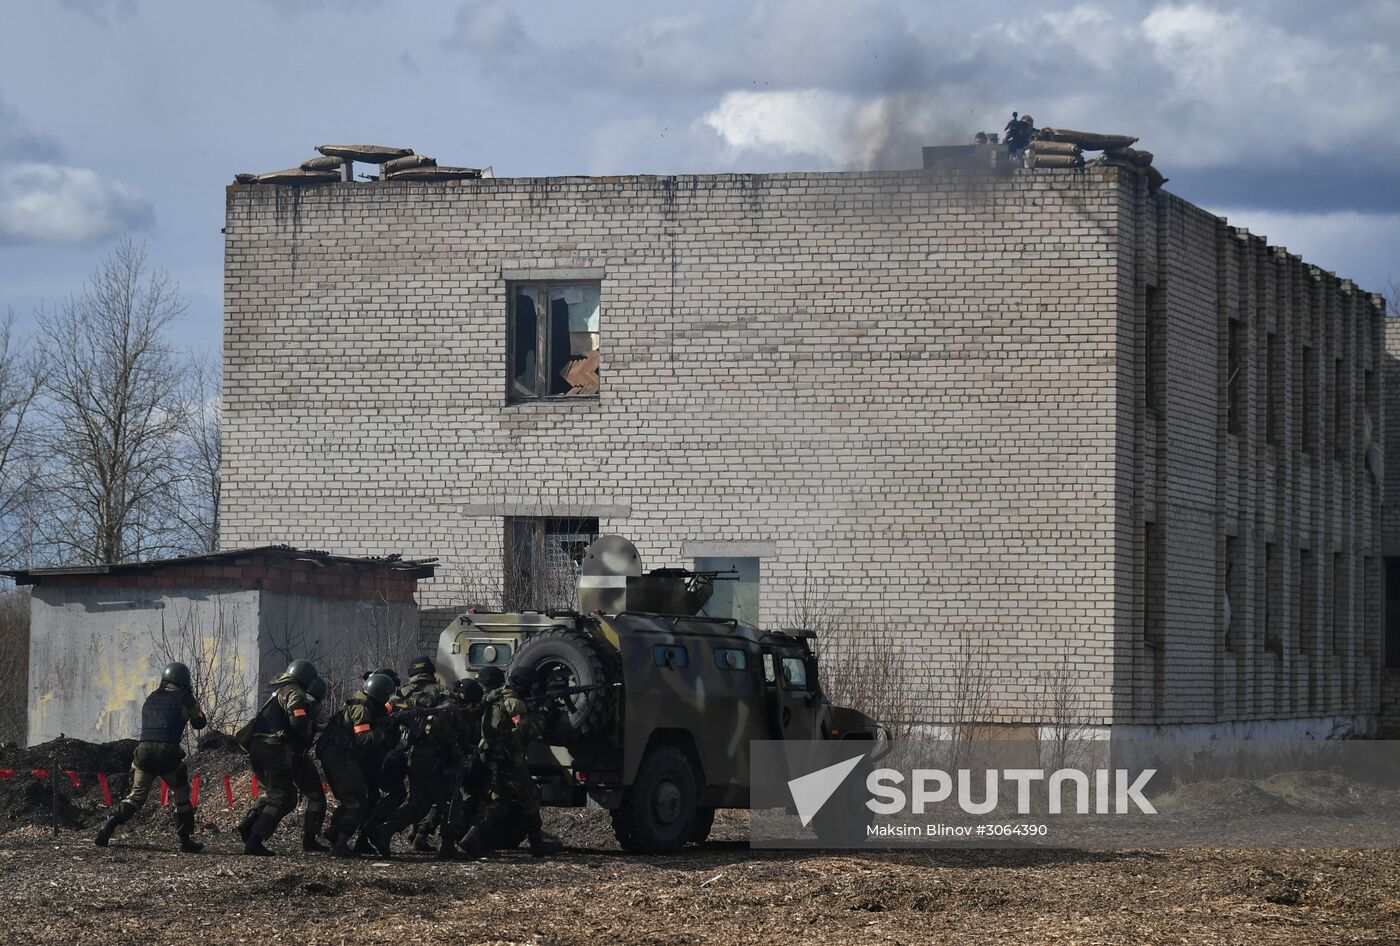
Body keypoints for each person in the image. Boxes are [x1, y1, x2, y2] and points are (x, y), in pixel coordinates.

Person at [94, 662, 207, 852]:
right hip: (167, 753)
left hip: (143, 752)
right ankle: (185, 840)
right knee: (180, 793)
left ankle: (108, 825)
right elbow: (199, 723)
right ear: (183, 681)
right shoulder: (185, 698)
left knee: (136, 796)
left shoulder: (152, 697)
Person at [461, 665, 563, 858]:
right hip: (506, 758)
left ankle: (474, 834)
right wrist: (544, 711)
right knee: (530, 794)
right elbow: (527, 730)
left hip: (489, 755)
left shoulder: (494, 697)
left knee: (501, 799)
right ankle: (537, 842)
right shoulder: (512, 702)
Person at [369, 679, 472, 859]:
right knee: (451, 800)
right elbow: (439, 728)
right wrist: (454, 744)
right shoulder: (451, 706)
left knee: (419, 804)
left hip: (417, 758)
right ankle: (447, 846)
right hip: (430, 760)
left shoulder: (441, 700)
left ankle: (385, 831)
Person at [238, 659, 319, 856]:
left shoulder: (272, 689)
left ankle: (249, 823)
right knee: (285, 797)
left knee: (272, 792)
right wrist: (309, 728)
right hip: (273, 747)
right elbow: (298, 721)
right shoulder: (293, 691)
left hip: (257, 745)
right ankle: (256, 839)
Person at [318, 672, 398, 857]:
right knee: (357, 800)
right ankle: (340, 843)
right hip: (339, 755)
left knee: (353, 798)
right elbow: (364, 739)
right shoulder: (362, 709)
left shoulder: (364, 704)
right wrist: (383, 731)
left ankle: (335, 832)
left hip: (338, 754)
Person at [289, 676, 330, 852]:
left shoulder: (291, 698)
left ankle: (250, 825)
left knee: (275, 795)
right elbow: (326, 725)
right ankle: (309, 839)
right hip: (299, 756)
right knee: (317, 798)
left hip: (279, 753)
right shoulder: (316, 707)